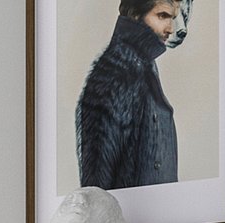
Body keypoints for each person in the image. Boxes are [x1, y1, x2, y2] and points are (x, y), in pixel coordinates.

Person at [76, 0, 181, 191]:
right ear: (135, 15)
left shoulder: (142, 65)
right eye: (162, 16)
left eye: (172, 18)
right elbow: (97, 182)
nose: (171, 29)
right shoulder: (115, 72)